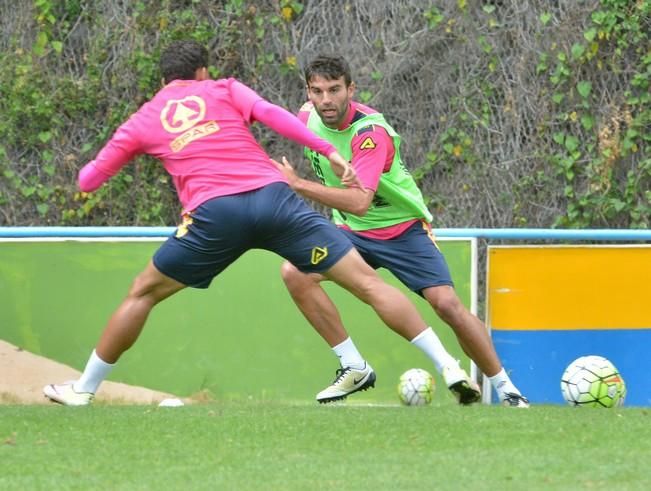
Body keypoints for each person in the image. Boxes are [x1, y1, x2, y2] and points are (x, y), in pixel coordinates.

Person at [42, 40, 472, 407]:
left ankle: (84, 389)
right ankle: (448, 366)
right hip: (276, 201)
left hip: (215, 217)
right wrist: (332, 151)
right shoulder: (224, 88)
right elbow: (273, 116)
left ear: (162, 81)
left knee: (142, 293)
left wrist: (93, 165)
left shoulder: (145, 118)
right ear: (203, 71)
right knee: (366, 283)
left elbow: (89, 180)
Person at [273, 54, 529, 407]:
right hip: (349, 232)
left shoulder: (370, 134)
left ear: (351, 89)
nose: (326, 100)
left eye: (334, 90)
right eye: (317, 91)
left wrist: (298, 185)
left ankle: (508, 391)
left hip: (402, 229)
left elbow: (360, 202)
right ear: (308, 92)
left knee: (447, 305)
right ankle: (353, 365)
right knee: (294, 272)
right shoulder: (306, 116)